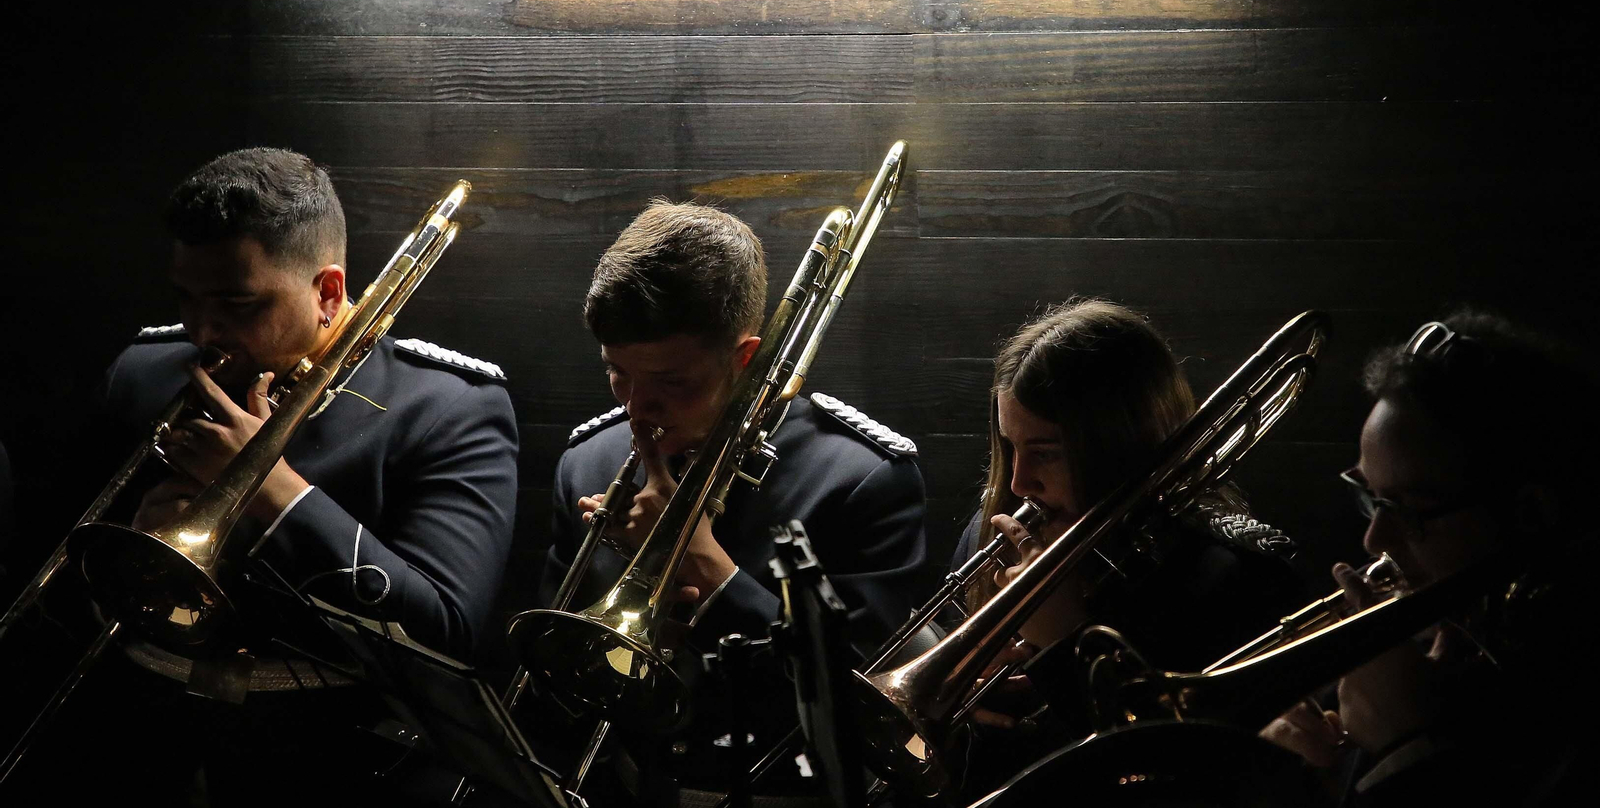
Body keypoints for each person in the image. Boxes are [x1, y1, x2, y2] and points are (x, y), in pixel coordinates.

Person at [7, 148, 519, 802]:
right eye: (186, 298)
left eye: (238, 303)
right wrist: (122, 560)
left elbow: (446, 634)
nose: (203, 329)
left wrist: (272, 489)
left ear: (328, 291)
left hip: (341, 766)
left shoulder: (448, 405)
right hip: (144, 753)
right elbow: (50, 586)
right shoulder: (142, 371)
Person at [532, 200, 927, 804]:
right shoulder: (587, 462)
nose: (637, 407)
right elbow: (553, 684)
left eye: (671, 383)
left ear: (744, 359)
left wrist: (711, 572)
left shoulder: (862, 478)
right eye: (618, 374)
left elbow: (873, 712)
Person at [948, 299, 1303, 795]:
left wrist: (1064, 645)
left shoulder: (1236, 573)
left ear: (1118, 445)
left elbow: (1185, 778)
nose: (1021, 482)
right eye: (1011, 447)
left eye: (1047, 453)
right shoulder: (994, 534)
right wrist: (959, 702)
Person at [1261, 311, 1593, 806]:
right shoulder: (1442, 647)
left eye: (1409, 509)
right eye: (1371, 499)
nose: (1375, 540)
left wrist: (1404, 751)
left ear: (1531, 513)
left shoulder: (1569, 699)